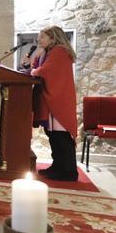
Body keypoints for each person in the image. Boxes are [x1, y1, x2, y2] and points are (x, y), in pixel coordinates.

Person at [25, 26, 79, 181]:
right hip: (50, 98)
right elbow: (37, 68)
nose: (38, 39)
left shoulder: (60, 51)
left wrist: (34, 71)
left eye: (42, 36)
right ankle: (58, 166)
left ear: (53, 38)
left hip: (58, 98)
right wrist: (31, 66)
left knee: (61, 135)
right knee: (53, 134)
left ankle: (69, 171)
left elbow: (46, 70)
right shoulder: (49, 51)